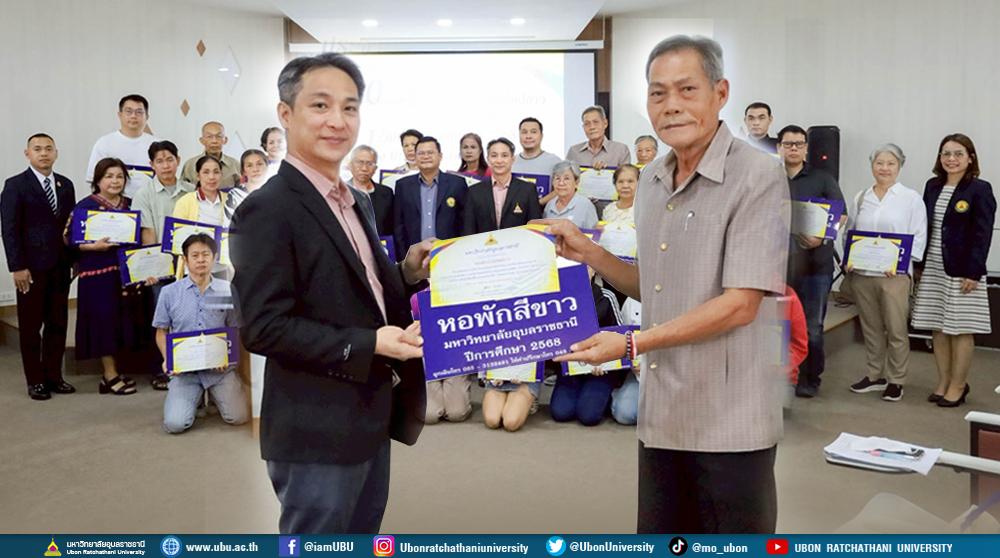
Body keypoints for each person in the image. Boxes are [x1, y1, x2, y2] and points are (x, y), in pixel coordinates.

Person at [540, 35, 788, 534]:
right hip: (663, 407)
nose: (671, 105)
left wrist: (632, 343)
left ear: (720, 93)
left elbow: (740, 305)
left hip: (728, 415)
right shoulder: (652, 180)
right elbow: (652, 286)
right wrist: (590, 253)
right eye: (658, 93)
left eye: (686, 89)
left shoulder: (758, 175)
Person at [230, 52, 431, 534]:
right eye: (320, 105)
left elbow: (358, 287)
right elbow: (264, 327)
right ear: (285, 114)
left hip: (370, 411)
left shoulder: (355, 199)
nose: (337, 121)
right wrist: (370, 343)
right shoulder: (266, 209)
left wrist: (406, 272)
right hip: (315, 427)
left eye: (349, 107)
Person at [912, 133, 996, 407]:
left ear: (970, 158)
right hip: (934, 266)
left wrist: (974, 272)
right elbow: (924, 227)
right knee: (938, 326)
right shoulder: (933, 186)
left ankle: (959, 385)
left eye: (958, 154)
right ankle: (944, 381)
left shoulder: (979, 189)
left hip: (963, 270)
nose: (951, 159)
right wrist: (919, 264)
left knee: (960, 329)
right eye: (946, 153)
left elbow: (983, 234)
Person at [846, 144, 927, 402]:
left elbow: (919, 236)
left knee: (896, 329)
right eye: (879, 163)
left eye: (890, 163)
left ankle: (896, 379)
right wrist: (849, 259)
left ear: (899, 166)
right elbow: (850, 232)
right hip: (863, 274)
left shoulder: (910, 198)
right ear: (872, 165)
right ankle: (874, 375)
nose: (884, 168)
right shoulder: (861, 197)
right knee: (870, 327)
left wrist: (901, 263)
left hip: (894, 276)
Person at [1, 134, 77, 400]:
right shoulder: (15, 185)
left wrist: (75, 259)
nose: (43, 153)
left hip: (60, 266)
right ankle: (35, 381)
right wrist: (17, 266)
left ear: (56, 153)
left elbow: (70, 227)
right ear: (27, 153)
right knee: (31, 327)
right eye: (37, 149)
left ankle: (54, 377)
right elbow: (9, 229)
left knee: (58, 323)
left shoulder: (65, 184)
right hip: (30, 269)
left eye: (48, 149)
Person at [69, 158, 150, 396]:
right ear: (98, 180)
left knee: (121, 322)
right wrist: (92, 247)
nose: (115, 181)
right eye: (109, 176)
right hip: (97, 276)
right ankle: (109, 374)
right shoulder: (85, 206)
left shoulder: (130, 205)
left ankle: (115, 372)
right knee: (103, 323)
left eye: (119, 177)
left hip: (125, 274)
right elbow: (68, 239)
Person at [154, 233, 249, 433]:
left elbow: (234, 329)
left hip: (219, 371)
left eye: (206, 255)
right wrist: (167, 359)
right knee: (175, 424)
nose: (201, 260)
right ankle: (193, 397)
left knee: (240, 416)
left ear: (214, 258)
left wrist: (229, 357)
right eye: (195, 255)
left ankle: (214, 395)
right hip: (185, 373)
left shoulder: (226, 290)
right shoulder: (169, 293)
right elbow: (161, 332)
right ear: (185, 260)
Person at [778, 125, 846, 398]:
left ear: (806, 148)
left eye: (799, 143)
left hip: (816, 265)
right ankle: (782, 377)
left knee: (812, 327)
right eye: (788, 144)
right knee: (779, 324)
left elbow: (841, 216)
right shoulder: (769, 178)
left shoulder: (823, 178)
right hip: (779, 265)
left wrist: (823, 237)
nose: (793, 148)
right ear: (779, 148)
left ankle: (810, 378)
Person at [550, 268, 626, 426]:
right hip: (572, 368)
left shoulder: (606, 297)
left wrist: (606, 364)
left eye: (587, 267)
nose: (581, 270)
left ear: (594, 271)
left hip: (600, 369)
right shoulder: (557, 299)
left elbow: (620, 335)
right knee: (561, 413)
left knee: (588, 416)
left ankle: (608, 394)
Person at [393, 136, 466, 258]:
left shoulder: (457, 184)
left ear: (440, 156)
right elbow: (398, 226)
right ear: (415, 157)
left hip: (450, 255)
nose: (425, 156)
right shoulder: (403, 186)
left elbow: (465, 223)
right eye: (421, 153)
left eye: (430, 153)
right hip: (415, 257)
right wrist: (404, 258)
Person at [464, 138, 542, 235]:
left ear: (513, 159)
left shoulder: (528, 190)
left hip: (518, 244)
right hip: (483, 244)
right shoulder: (474, 191)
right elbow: (468, 229)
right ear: (488, 159)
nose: (499, 160)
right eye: (494, 156)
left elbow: (535, 228)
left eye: (504, 155)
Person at [85, 94, 158, 197]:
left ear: (147, 116)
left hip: (149, 203)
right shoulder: (104, 143)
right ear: (120, 115)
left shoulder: (157, 145)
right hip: (114, 204)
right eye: (129, 111)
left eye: (139, 112)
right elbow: (94, 180)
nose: (133, 116)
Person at [173, 156, 230, 279]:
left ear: (221, 175)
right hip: (193, 270)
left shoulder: (230, 200)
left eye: (216, 172)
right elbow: (176, 239)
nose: (211, 177)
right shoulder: (184, 202)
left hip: (221, 270)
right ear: (198, 176)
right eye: (206, 172)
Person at [133, 140, 195, 247]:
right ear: (152, 165)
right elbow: (148, 234)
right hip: (160, 254)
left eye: (170, 160)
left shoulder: (192, 190)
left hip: (190, 253)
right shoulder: (143, 195)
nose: (166, 166)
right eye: (159, 161)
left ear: (178, 160)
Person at [512, 117, 562, 205]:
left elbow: (561, 189)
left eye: (533, 132)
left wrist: (537, 204)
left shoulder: (555, 161)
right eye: (524, 132)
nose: (528, 136)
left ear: (541, 136)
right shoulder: (511, 161)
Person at [565, 105, 631, 170]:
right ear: (583, 127)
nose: (592, 127)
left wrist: (605, 172)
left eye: (596, 122)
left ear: (605, 123)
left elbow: (626, 176)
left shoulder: (621, 150)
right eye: (587, 123)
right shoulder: (574, 152)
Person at [348, 145, 394, 236]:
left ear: (375, 168)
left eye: (369, 164)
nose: (364, 168)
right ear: (350, 165)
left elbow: (392, 226)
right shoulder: (340, 192)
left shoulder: (386, 193)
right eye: (360, 162)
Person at [180, 122, 241, 189]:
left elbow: (242, 191)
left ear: (225, 140)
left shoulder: (235, 165)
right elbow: (183, 189)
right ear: (202, 140)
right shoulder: (190, 165)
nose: (214, 141)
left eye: (219, 136)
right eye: (209, 136)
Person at [610, 296, 641, 425]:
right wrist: (630, 363)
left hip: (677, 372)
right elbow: (622, 338)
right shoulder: (632, 301)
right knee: (624, 414)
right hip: (639, 375)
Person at [543, 161, 599, 229]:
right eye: (557, 178)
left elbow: (594, 233)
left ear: (576, 182)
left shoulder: (586, 205)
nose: (561, 183)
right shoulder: (550, 205)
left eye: (566, 178)